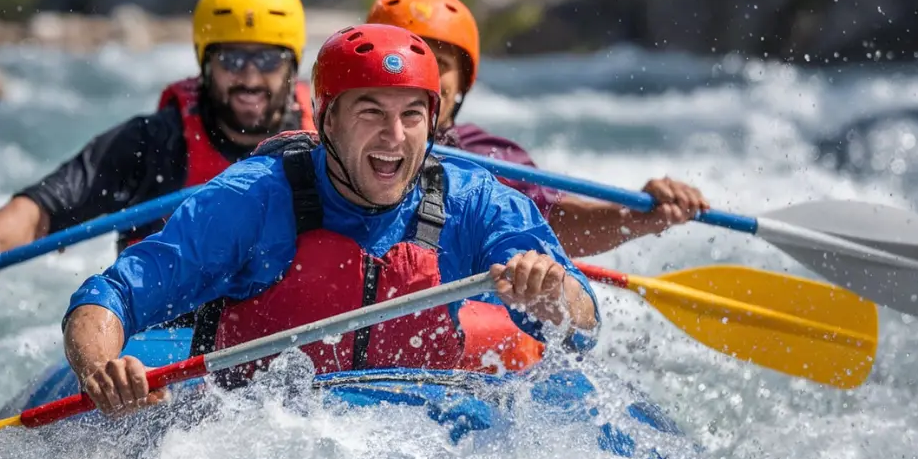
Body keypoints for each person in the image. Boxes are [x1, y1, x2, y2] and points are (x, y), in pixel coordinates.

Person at [62, 24, 600, 416]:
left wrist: (550, 296)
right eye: (371, 113)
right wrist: (100, 368)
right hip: (267, 436)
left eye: (412, 115)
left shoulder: (472, 198)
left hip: (426, 430)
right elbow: (108, 297)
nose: (395, 136)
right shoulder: (251, 201)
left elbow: (583, 321)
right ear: (325, 118)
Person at [0, 0, 313, 292]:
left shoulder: (324, 141)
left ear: (291, 65)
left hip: (286, 326)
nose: (248, 77)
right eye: (231, 58)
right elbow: (40, 209)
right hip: (169, 328)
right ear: (206, 63)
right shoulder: (154, 142)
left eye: (266, 60)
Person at [366, 0, 711, 258]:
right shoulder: (337, 144)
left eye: (437, 63)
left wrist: (639, 214)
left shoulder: (487, 155)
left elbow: (550, 221)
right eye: (404, 59)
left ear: (462, 84)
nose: (418, 77)